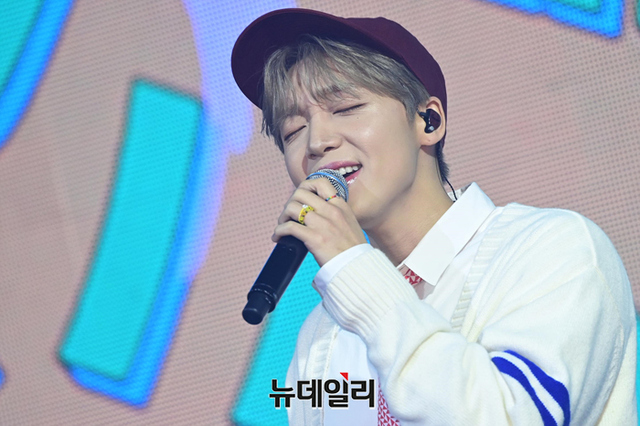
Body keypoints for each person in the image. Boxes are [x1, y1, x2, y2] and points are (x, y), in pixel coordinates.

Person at [231, 8, 637, 425]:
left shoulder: (554, 250)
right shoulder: (322, 337)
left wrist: (354, 270)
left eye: (346, 107)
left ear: (429, 121)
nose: (317, 141)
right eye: (293, 131)